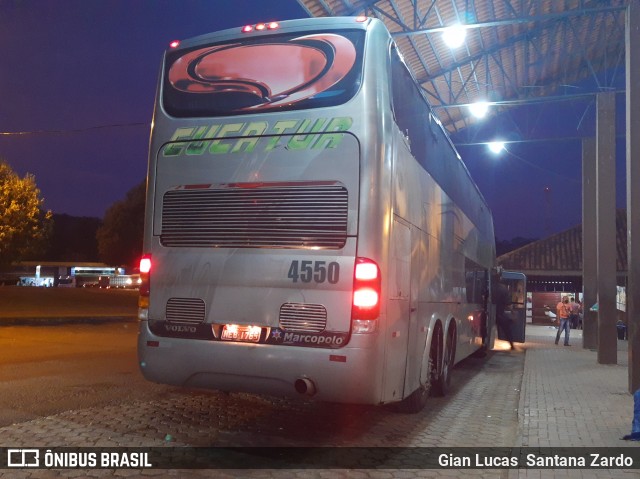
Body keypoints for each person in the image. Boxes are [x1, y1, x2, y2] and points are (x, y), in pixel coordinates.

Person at [492, 278, 514, 350]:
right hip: (499, 313)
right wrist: (513, 312)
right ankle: (511, 345)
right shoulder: (503, 289)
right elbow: (508, 303)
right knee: (507, 329)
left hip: (489, 313)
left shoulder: (489, 286)